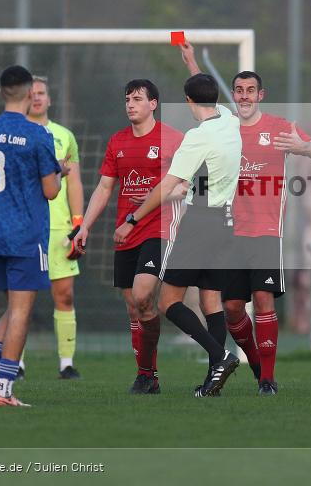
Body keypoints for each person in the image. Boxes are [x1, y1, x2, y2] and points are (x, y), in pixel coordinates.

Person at [204, 57, 311, 395]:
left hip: (265, 231)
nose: (245, 96)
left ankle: (268, 380)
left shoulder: (278, 127)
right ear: (233, 94)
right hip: (229, 233)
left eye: (250, 91)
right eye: (239, 91)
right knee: (232, 309)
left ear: (261, 95)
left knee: (263, 299)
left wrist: (302, 147)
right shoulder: (224, 128)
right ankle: (260, 366)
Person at [115, 72, 242, 397]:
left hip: (200, 222)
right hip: (227, 223)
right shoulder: (229, 121)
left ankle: (220, 356)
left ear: (187, 101)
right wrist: (190, 63)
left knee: (168, 302)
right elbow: (205, 92)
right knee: (210, 298)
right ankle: (214, 377)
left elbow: (168, 185)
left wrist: (132, 217)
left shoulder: (197, 138)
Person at [74, 79, 184, 394]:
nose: (130, 104)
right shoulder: (117, 141)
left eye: (137, 99)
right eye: (127, 99)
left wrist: (157, 197)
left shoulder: (171, 139)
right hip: (126, 233)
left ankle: (147, 373)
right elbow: (105, 188)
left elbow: (184, 186)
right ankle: (147, 375)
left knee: (142, 295)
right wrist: (85, 225)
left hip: (158, 228)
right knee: (134, 307)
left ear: (154, 104)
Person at [0, 65, 64, 407]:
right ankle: (5, 391)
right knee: (22, 312)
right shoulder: (37, 135)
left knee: (12, 307)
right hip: (25, 235)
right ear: (30, 95)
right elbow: (51, 191)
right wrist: (60, 171)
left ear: (1, 93)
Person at [27, 76, 84, 379]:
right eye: (31, 93)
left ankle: (66, 363)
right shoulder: (16, 134)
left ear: (49, 99)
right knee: (22, 295)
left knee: (65, 296)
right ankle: (17, 363)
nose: (36, 97)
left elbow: (73, 181)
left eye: (41, 93)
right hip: (27, 227)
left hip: (59, 229)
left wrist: (78, 224)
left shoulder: (65, 136)